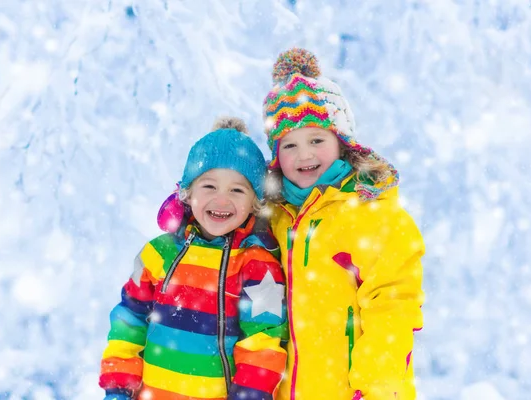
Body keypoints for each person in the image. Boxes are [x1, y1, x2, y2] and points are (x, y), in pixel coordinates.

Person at [262, 48, 425, 400]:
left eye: (316, 140)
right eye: (289, 145)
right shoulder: (273, 218)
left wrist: (375, 389)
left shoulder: (374, 216)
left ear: (342, 143)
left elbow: (392, 310)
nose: (304, 155)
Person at [99, 117, 288, 400]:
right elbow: (129, 322)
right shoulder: (158, 253)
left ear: (254, 202)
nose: (222, 200)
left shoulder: (258, 266)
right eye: (209, 186)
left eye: (237, 190)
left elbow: (263, 343)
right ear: (188, 193)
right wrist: (117, 388)